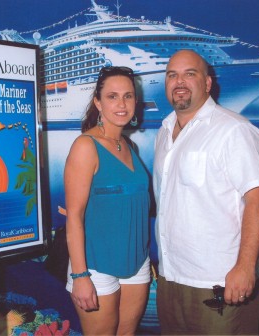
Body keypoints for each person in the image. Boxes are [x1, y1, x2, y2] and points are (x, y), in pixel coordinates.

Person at [153, 50, 259, 335]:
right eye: (172, 75)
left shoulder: (234, 130)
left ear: (207, 83)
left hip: (220, 282)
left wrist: (245, 267)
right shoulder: (164, 131)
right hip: (171, 280)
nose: (179, 82)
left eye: (189, 74)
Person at [64, 66, 151, 335]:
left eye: (128, 96)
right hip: (95, 265)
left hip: (137, 262)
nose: (122, 104)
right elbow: (74, 216)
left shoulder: (130, 146)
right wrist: (80, 277)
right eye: (112, 96)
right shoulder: (85, 146)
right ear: (98, 102)